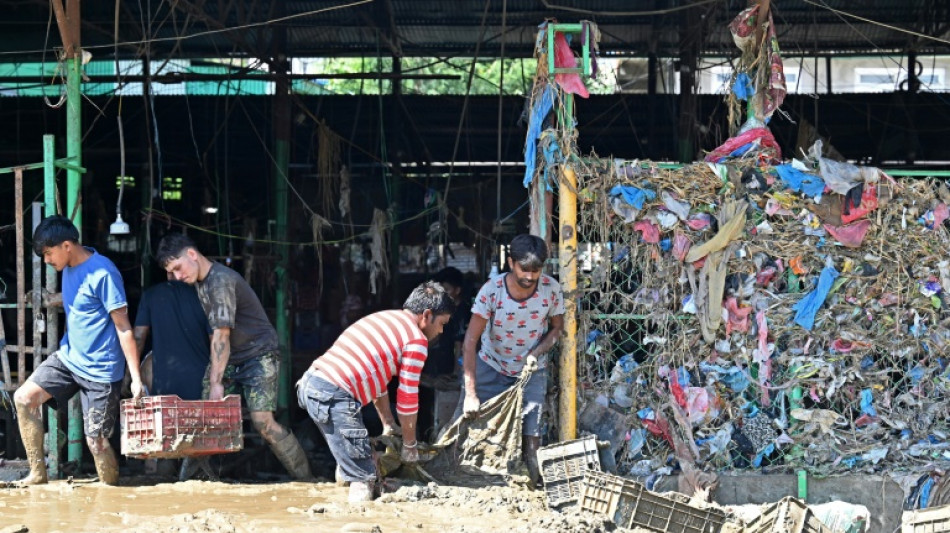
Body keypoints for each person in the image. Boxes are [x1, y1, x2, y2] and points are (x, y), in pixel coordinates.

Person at [156, 233, 312, 481]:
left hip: (258, 353)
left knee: (264, 424)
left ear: (192, 254)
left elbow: (221, 335)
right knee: (205, 418)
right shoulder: (200, 280)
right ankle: (186, 484)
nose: (177, 276)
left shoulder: (221, 281)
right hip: (233, 355)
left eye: (178, 268)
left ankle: (306, 480)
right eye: (172, 272)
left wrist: (217, 383)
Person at [13, 215, 144, 485]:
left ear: (67, 245)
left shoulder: (104, 273)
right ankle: (38, 473)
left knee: (95, 441)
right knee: (23, 399)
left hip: (101, 370)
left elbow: (124, 328)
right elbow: (83, 301)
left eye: (49, 253)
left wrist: (136, 379)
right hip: (69, 358)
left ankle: (110, 491)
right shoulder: (69, 267)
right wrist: (53, 299)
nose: (47, 260)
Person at [296, 281, 455, 502]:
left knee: (354, 460)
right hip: (335, 394)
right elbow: (407, 398)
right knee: (363, 475)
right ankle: (362, 517)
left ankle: (341, 499)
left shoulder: (386, 318)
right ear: (427, 316)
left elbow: (377, 382)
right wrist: (410, 446)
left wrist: (388, 424)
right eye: (442, 323)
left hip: (312, 385)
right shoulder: (416, 340)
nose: (441, 331)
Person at [456, 234, 565, 483]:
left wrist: (535, 354)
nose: (529, 277)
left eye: (535, 271)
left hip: (530, 371)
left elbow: (556, 329)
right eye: (524, 269)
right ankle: (454, 477)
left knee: (531, 431)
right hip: (490, 363)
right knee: (466, 421)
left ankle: (531, 483)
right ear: (510, 262)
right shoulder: (491, 291)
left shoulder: (551, 289)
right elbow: (470, 342)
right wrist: (471, 393)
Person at [133, 276, 211, 401]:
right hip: (201, 382)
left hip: (163, 386)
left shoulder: (151, 294)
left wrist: (129, 376)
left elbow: (138, 337)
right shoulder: (206, 296)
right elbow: (217, 339)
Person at [424, 267, 470, 378]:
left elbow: (460, 345)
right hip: (438, 368)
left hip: (451, 372)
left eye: (446, 290)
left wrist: (455, 374)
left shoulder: (464, 313)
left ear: (457, 290)